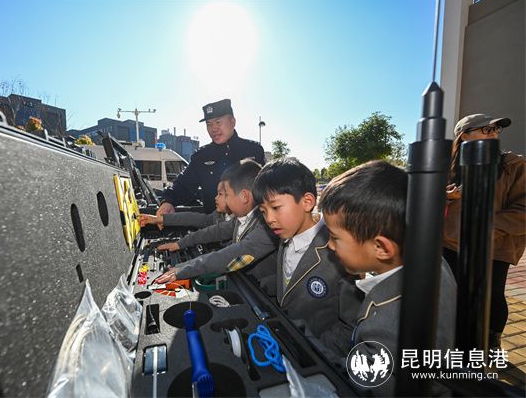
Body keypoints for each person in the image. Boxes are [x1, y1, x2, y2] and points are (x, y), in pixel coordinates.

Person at [319, 161, 456, 396]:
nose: (329, 246)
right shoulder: (432, 261)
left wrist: (305, 345)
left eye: (334, 237)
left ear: (381, 248)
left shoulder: (390, 327)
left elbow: (360, 382)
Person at [442, 113, 526, 350]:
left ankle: (491, 342)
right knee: (454, 294)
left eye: (496, 130)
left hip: (494, 246)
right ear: (464, 135)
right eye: (487, 129)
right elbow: (424, 200)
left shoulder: (513, 165)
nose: (494, 134)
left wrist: (486, 227)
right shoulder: (447, 166)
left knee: (492, 296)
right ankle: (457, 342)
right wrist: (446, 197)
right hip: (451, 243)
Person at [252, 158, 358, 339]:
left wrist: (313, 348)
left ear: (307, 202)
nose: (269, 219)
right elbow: (292, 282)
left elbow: (350, 327)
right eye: (263, 211)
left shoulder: (341, 252)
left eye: (276, 207)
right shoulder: (285, 233)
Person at [153, 159, 278, 283]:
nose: (225, 200)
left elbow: (232, 254)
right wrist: (180, 245)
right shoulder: (242, 218)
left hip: (261, 291)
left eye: (226, 194)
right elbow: (213, 232)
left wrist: (184, 269)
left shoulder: (266, 226)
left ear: (244, 196)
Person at [157, 99, 265, 216]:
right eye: (209, 124)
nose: (213, 129)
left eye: (218, 122)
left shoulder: (254, 150)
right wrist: (168, 202)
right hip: (215, 224)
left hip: (251, 224)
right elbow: (183, 185)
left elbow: (266, 187)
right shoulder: (201, 156)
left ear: (233, 122)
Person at [138, 181, 232, 230]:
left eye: (220, 194)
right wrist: (159, 219)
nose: (215, 198)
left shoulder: (234, 223)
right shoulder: (220, 216)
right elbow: (198, 219)